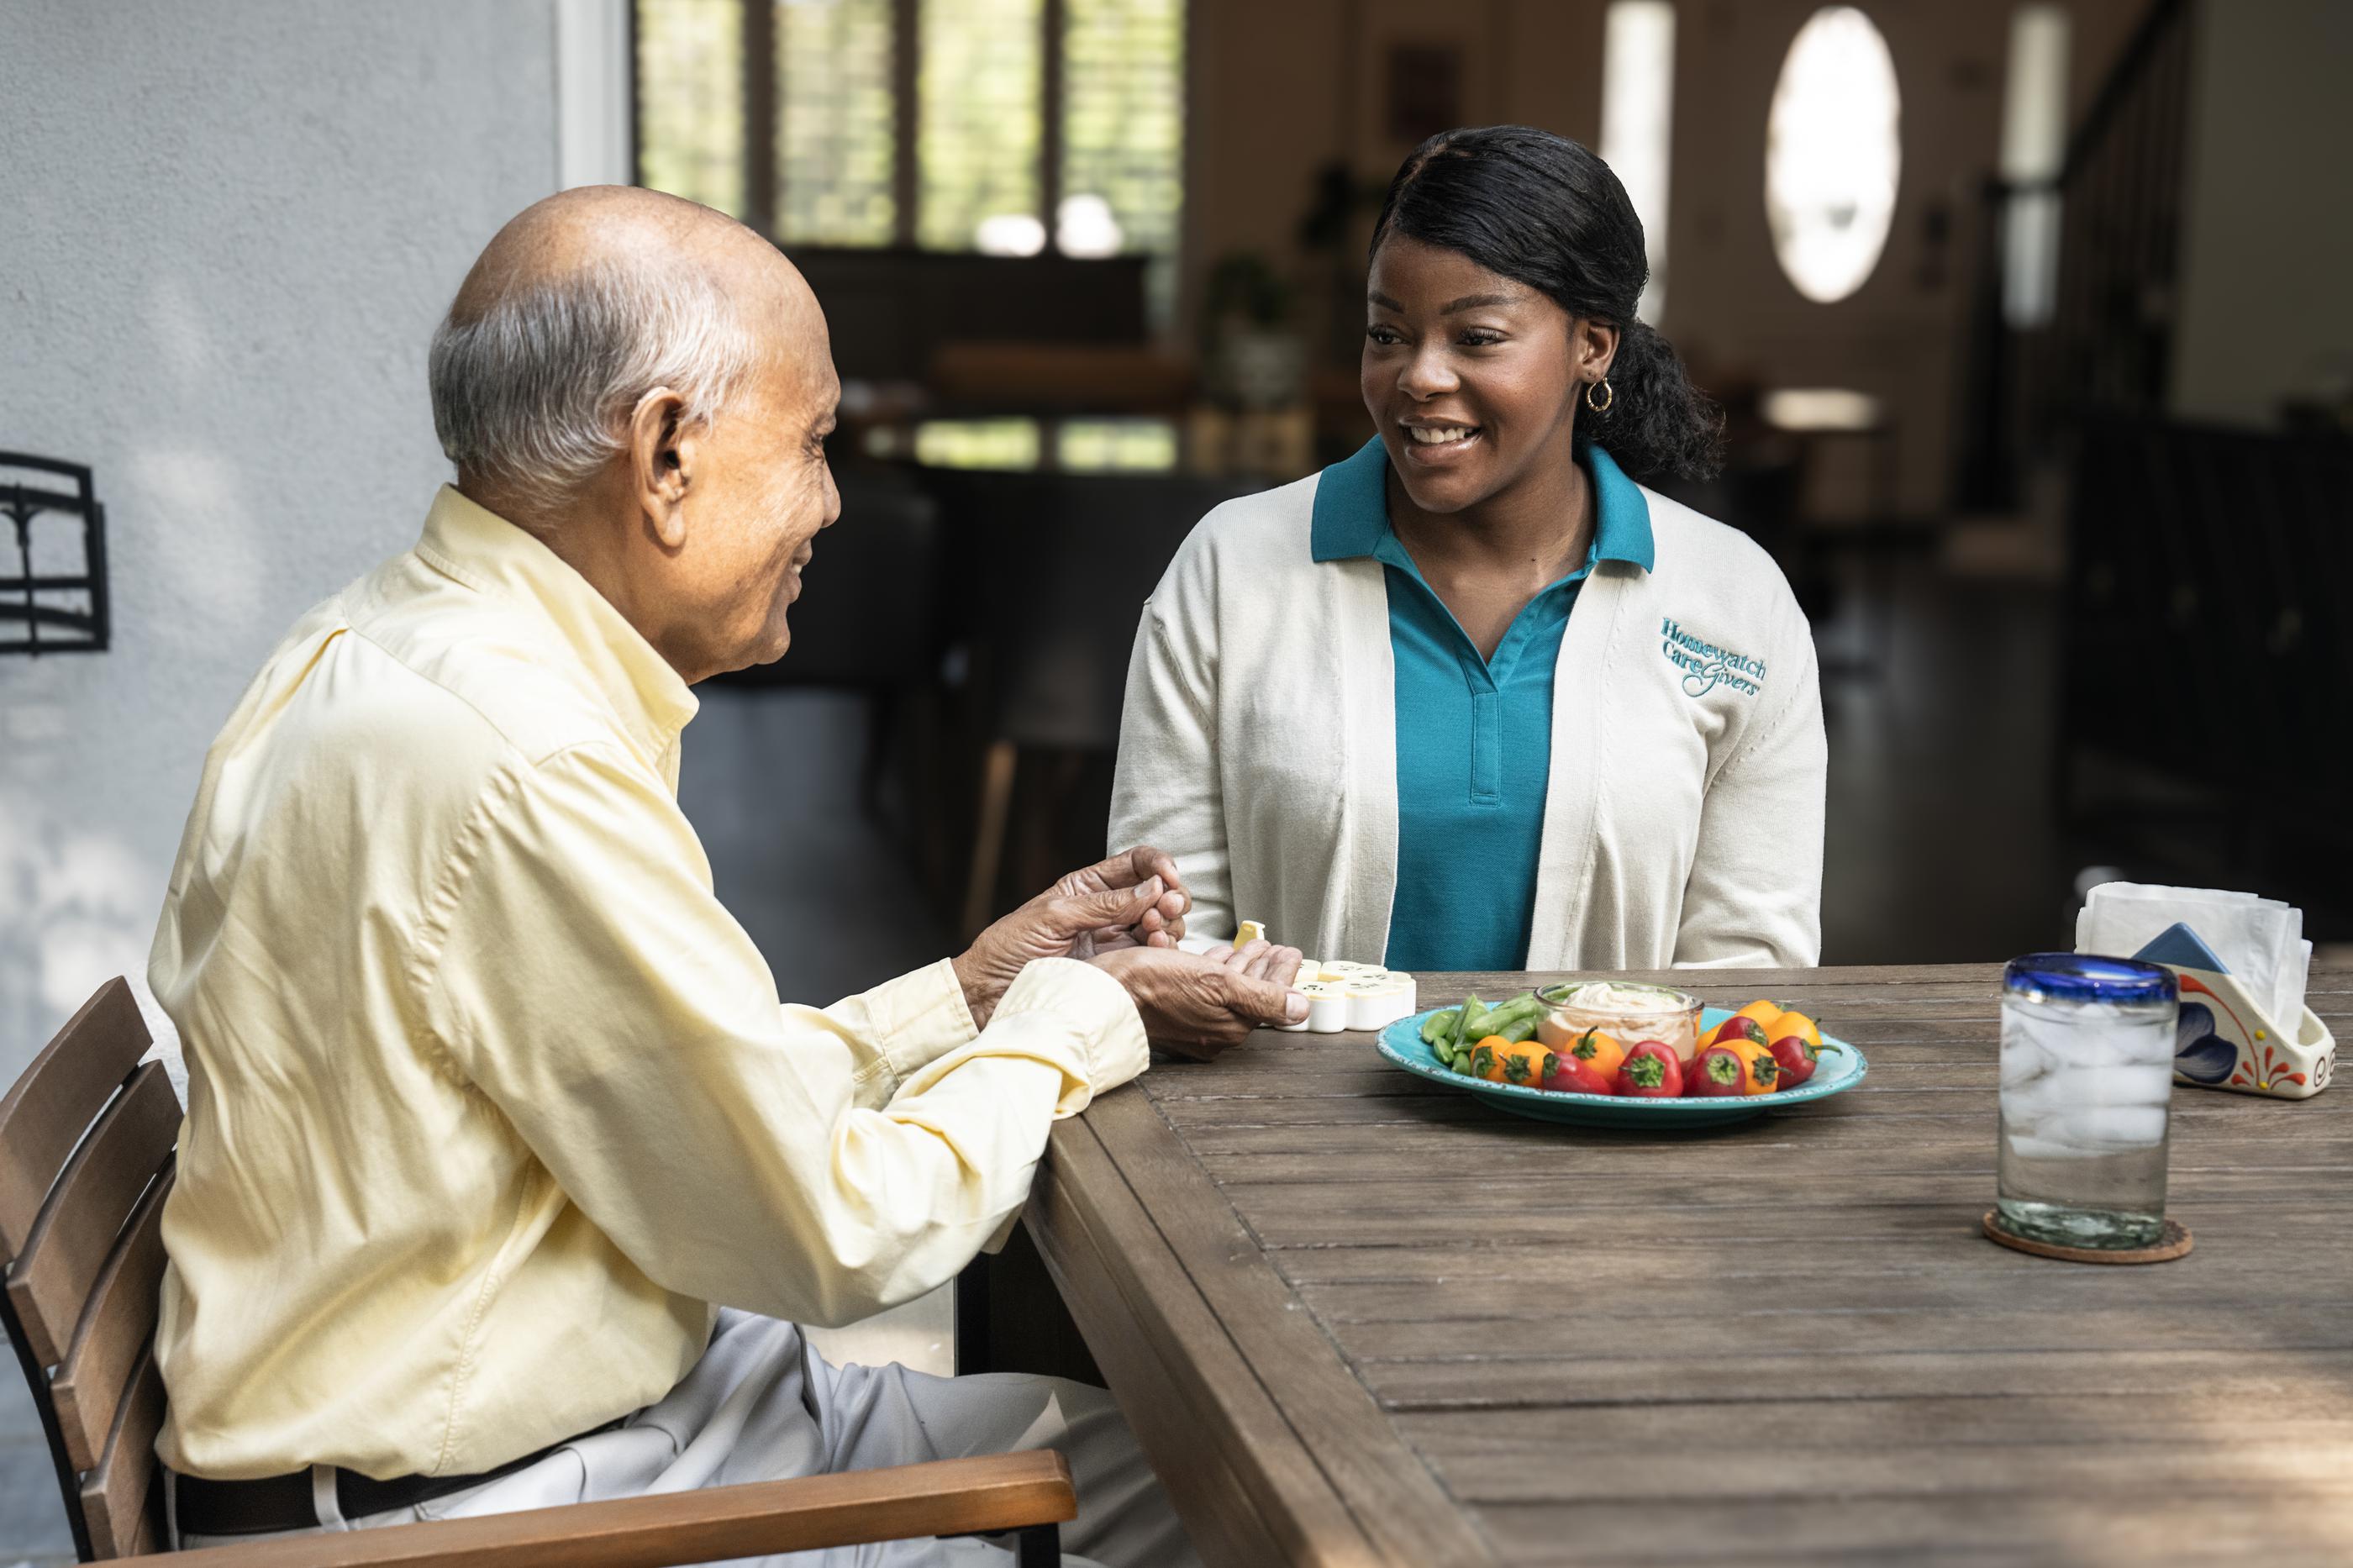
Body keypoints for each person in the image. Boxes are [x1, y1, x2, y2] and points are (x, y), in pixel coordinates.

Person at [146, 185, 1307, 1565]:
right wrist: (1086, 1021)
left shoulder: (382, 642)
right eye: (816, 443)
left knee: (1197, 1475)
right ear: (667, 454)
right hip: (473, 1515)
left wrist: (979, 988)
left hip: (583, 1421)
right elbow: (830, 1233)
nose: (830, 500)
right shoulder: (522, 757)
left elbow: (685, 1095)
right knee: (1231, 1505)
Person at [1112, 126, 1824, 972]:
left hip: (1613, 1105)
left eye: (1475, 337)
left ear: (1592, 345)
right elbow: (1163, 927)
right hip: (1286, 1103)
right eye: (1387, 335)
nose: (1418, 376)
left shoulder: (1732, 597)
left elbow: (1752, 967)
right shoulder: (1229, 569)